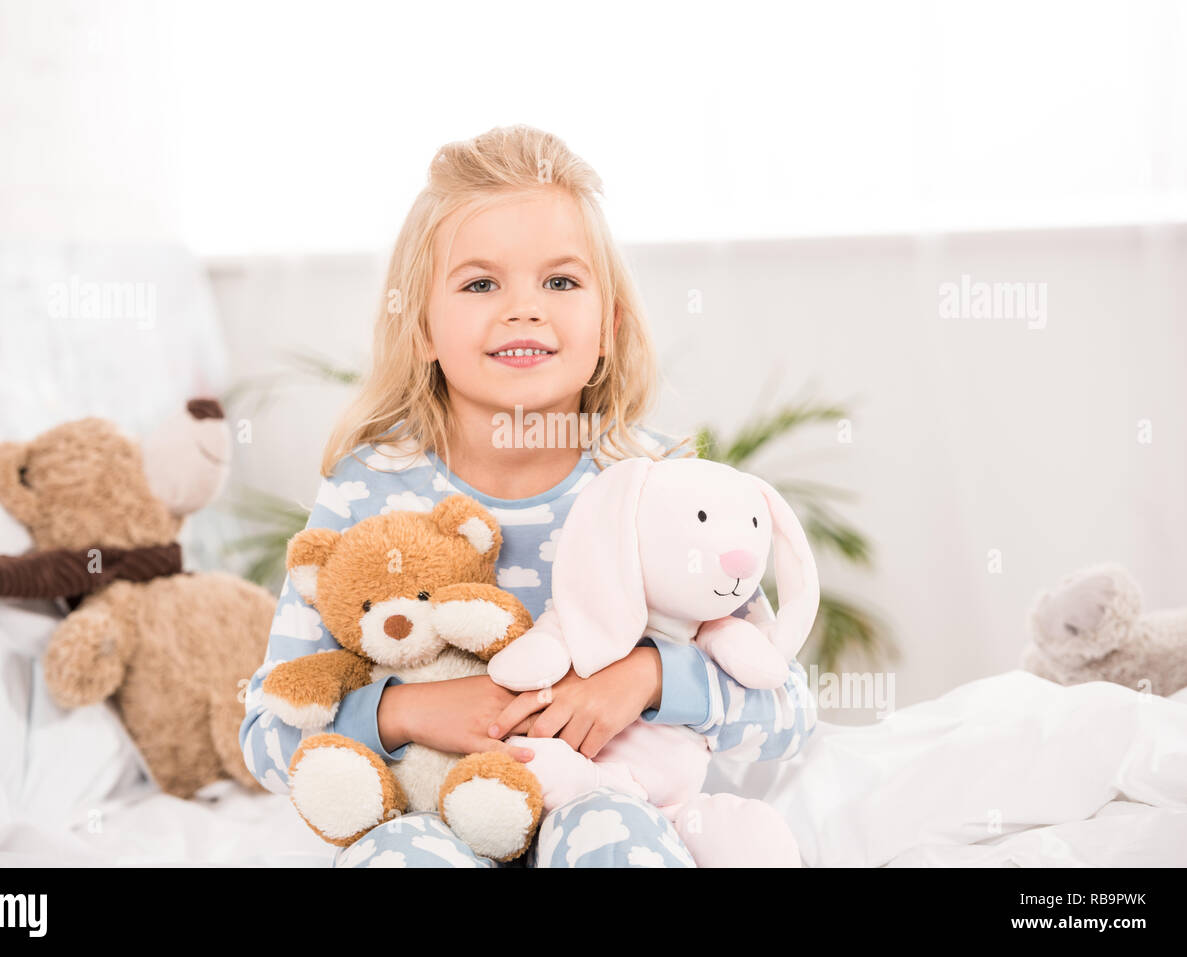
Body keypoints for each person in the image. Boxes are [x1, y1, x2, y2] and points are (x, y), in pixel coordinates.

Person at [240, 125, 816, 867]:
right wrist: (404, 710)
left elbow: (788, 712)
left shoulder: (651, 484)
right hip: (434, 816)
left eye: (561, 281)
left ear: (607, 326)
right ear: (421, 326)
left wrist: (645, 678)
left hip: (606, 804)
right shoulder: (368, 486)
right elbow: (267, 731)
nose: (524, 309)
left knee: (614, 836)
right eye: (481, 283)